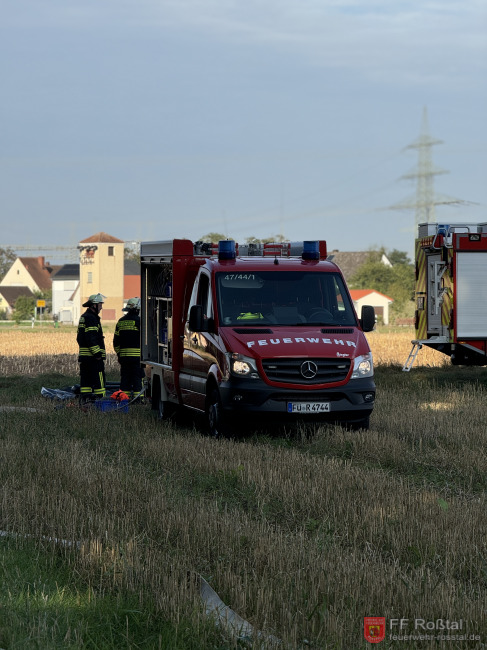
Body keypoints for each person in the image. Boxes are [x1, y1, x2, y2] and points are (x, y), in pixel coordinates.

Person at [77, 293, 106, 402]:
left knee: (86, 381)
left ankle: (86, 400)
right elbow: (91, 337)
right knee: (99, 381)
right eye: (100, 304)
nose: (101, 307)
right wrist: (97, 354)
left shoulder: (84, 317)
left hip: (85, 358)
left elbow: (80, 338)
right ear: (94, 305)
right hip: (93, 358)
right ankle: (100, 402)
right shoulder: (91, 318)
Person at [113, 297, 142, 398]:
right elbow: (145, 340)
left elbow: (116, 341)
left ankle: (124, 399)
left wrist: (119, 354)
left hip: (124, 357)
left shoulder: (120, 321)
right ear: (137, 309)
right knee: (137, 378)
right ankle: (138, 399)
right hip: (137, 357)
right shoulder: (139, 321)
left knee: (125, 379)